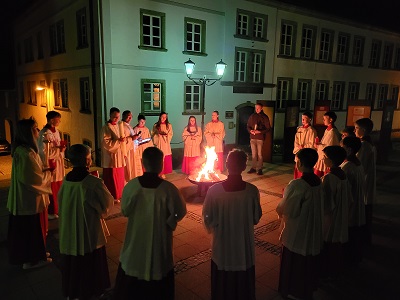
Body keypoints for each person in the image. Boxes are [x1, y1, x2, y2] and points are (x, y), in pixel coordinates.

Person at [113, 147, 187, 300]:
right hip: (159, 239)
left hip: (135, 239)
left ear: (142, 163)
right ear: (161, 165)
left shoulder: (131, 186)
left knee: (134, 268)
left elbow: (125, 211)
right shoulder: (169, 189)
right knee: (158, 268)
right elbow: (180, 211)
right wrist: (170, 220)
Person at [202, 149, 262, 300]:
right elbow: (256, 218)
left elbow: (207, 218)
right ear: (244, 166)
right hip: (243, 245)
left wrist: (216, 223)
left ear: (227, 164)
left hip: (222, 245)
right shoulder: (252, 191)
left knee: (223, 275)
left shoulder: (214, 191)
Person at [58, 144, 114, 300]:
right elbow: (107, 204)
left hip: (70, 228)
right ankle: (92, 289)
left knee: (74, 260)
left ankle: (74, 290)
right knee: (90, 256)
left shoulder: (66, 179)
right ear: (87, 160)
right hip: (88, 227)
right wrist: (101, 212)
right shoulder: (92, 182)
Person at [276, 148, 324, 300]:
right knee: (308, 258)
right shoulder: (318, 181)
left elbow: (289, 209)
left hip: (299, 229)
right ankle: (307, 287)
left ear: (301, 163)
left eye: (296, 161)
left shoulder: (297, 184)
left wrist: (281, 206)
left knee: (294, 260)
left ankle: (292, 290)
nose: (295, 163)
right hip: (313, 227)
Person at [7, 117, 53, 269]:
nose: (38, 131)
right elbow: (33, 180)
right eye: (35, 128)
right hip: (28, 200)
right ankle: (31, 260)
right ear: (28, 132)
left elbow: (33, 172)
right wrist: (48, 175)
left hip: (27, 198)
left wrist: (43, 170)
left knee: (35, 229)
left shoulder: (26, 150)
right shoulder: (26, 154)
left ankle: (38, 253)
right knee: (30, 230)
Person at [321, 146, 351, 278]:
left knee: (329, 241)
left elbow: (327, 203)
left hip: (331, 216)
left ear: (331, 160)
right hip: (341, 212)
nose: (323, 159)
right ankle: (336, 269)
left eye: (325, 157)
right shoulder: (342, 174)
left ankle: (327, 271)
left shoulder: (330, 177)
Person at [340, 136, 366, 266]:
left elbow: (344, 190)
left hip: (351, 205)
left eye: (342, 147)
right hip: (357, 202)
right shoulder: (357, 163)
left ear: (348, 150)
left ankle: (348, 259)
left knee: (349, 232)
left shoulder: (348, 167)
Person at [38, 110, 66, 220]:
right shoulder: (44, 133)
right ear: (51, 120)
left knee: (58, 185)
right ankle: (51, 210)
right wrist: (58, 150)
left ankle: (58, 208)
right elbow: (44, 151)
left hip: (58, 162)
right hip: (51, 162)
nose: (59, 121)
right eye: (57, 119)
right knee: (52, 187)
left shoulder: (56, 131)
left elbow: (56, 146)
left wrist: (61, 149)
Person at [354, 117, 376, 245]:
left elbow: (359, 165)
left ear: (363, 130)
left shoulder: (363, 145)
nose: (355, 131)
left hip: (364, 181)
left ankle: (362, 239)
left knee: (363, 211)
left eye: (356, 128)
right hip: (367, 180)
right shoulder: (369, 144)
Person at [100, 107, 126, 202]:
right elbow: (105, 142)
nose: (116, 119)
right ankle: (113, 195)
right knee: (112, 176)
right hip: (111, 156)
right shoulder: (106, 128)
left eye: (118, 117)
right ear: (110, 115)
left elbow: (122, 138)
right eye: (114, 117)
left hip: (119, 154)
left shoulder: (119, 126)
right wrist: (118, 141)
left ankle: (120, 193)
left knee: (120, 175)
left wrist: (123, 142)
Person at [246, 103, 271, 175]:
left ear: (261, 108)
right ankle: (253, 167)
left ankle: (259, 168)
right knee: (253, 154)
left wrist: (260, 131)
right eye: (256, 108)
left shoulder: (265, 117)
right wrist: (250, 130)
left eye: (258, 108)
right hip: (252, 137)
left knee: (259, 154)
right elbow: (248, 125)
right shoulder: (252, 116)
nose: (257, 109)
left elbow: (268, 128)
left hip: (260, 138)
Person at [314, 111, 341, 177]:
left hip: (325, 158)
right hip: (322, 157)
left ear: (331, 120)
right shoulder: (327, 130)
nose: (323, 120)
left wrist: (318, 146)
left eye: (325, 119)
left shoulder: (333, 132)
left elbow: (330, 147)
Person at [292, 111, 317, 179]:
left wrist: (303, 147)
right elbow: (296, 140)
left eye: (305, 118)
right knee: (298, 167)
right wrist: (298, 147)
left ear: (309, 119)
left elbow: (312, 143)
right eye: (302, 118)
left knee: (304, 168)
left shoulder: (311, 130)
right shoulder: (299, 129)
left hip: (306, 153)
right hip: (299, 151)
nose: (302, 120)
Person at [121, 110, 141, 182]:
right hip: (128, 151)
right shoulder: (121, 126)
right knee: (129, 169)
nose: (130, 119)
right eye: (128, 117)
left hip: (133, 149)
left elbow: (132, 138)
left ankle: (133, 180)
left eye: (131, 117)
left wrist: (137, 138)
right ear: (123, 116)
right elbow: (122, 140)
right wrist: (132, 138)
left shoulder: (129, 126)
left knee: (134, 168)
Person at [152, 112, 173, 178]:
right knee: (160, 158)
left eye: (165, 117)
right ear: (160, 117)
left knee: (165, 157)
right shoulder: (156, 125)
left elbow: (171, 134)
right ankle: (159, 172)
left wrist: (166, 135)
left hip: (165, 143)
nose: (164, 118)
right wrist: (157, 134)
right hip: (159, 143)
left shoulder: (169, 125)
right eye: (162, 117)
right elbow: (153, 134)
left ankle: (164, 172)